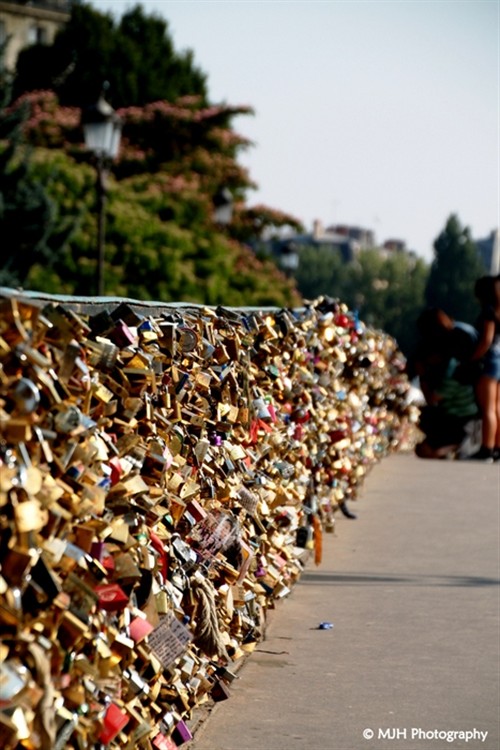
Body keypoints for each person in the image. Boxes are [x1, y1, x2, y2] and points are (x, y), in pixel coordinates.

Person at [414, 308, 480, 459]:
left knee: (426, 449)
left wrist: (422, 377)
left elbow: (431, 399)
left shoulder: (453, 375)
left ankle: (455, 447)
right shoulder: (462, 332)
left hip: (461, 420)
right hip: (460, 417)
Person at [467, 275, 500, 462]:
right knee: (497, 407)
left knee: (488, 408)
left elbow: (487, 340)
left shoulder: (489, 311)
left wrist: (473, 357)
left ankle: (487, 448)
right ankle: (497, 447)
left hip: (491, 360)